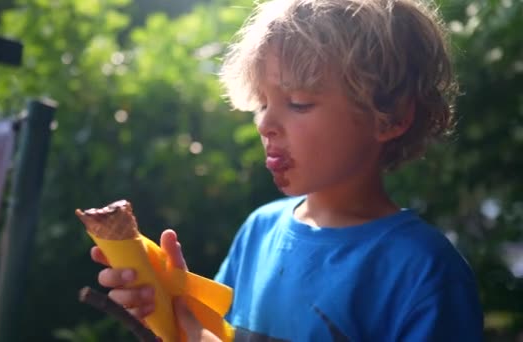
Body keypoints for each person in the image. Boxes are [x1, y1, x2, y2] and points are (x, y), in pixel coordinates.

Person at [91, 0, 484, 340]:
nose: (264, 124)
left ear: (390, 117)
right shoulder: (258, 232)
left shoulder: (424, 274)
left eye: (298, 102)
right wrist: (172, 310)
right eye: (263, 102)